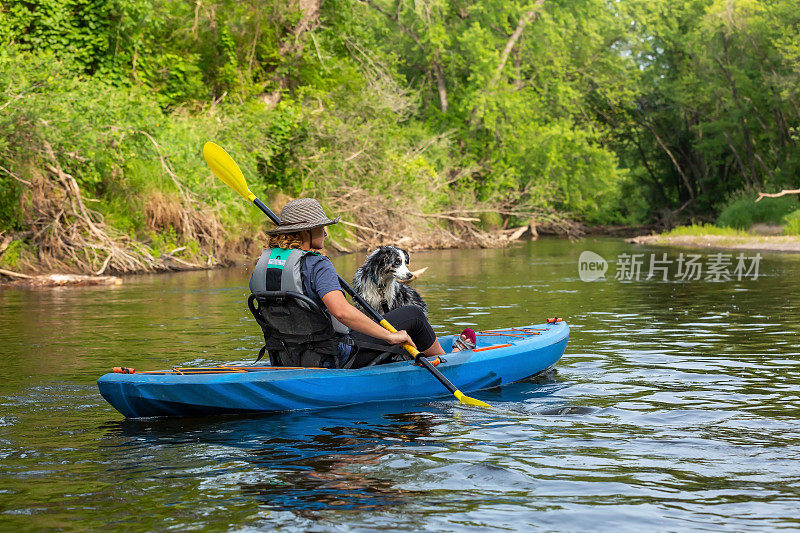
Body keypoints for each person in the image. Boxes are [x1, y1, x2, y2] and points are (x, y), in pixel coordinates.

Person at [250, 198, 448, 368]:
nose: (325, 233)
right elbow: (342, 312)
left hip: (285, 359)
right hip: (335, 358)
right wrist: (390, 336)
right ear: (306, 232)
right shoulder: (318, 264)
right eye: (321, 227)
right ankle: (447, 362)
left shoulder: (263, 264)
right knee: (413, 314)